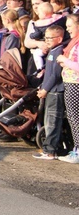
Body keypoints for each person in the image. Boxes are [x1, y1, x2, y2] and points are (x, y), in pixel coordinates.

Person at [33, 24, 67, 160]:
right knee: (48, 120)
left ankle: (50, 150)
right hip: (50, 90)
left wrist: (45, 89)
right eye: (45, 38)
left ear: (59, 39)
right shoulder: (52, 51)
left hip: (55, 91)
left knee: (52, 121)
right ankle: (51, 148)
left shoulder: (58, 52)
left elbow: (55, 75)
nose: (46, 40)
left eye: (50, 38)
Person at [56, 14, 79, 163]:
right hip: (71, 82)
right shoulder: (74, 42)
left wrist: (65, 60)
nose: (68, 29)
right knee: (72, 117)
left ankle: (77, 151)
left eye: (70, 26)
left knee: (75, 118)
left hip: (75, 84)